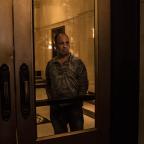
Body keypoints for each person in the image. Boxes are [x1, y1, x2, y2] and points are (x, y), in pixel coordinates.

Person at [45, 32, 88, 134]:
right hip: (57, 110)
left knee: (77, 138)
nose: (65, 46)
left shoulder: (77, 62)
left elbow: (84, 84)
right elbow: (48, 85)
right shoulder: (50, 65)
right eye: (61, 43)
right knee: (60, 138)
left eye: (67, 42)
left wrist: (78, 103)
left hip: (74, 109)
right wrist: (52, 102)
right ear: (55, 46)